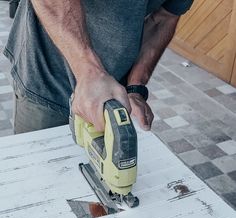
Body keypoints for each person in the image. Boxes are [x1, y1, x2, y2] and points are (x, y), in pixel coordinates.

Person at [4, 0, 193, 134]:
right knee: (42, 176)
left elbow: (164, 18)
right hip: (47, 77)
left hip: (111, 91)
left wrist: (135, 87)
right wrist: (90, 73)